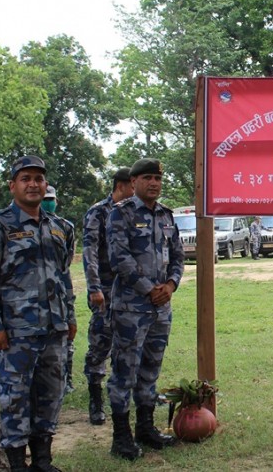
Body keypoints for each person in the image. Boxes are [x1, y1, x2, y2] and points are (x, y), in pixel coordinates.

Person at [0, 155, 76, 472]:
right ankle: (17, 464)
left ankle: (42, 461)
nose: (33, 184)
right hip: (16, 333)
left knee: (50, 397)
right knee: (14, 400)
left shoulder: (61, 228)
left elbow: (64, 276)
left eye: (38, 179)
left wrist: (69, 317)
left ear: (46, 186)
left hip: (54, 330)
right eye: (26, 178)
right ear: (12, 185)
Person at [106, 158, 184, 460]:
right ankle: (121, 437)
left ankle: (146, 428)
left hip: (160, 310)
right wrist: (148, 289)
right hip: (131, 309)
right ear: (134, 182)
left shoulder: (166, 215)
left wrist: (171, 285)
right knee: (124, 372)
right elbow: (119, 259)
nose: (154, 183)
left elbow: (178, 256)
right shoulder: (120, 214)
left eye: (158, 179)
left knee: (150, 370)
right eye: (148, 178)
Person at [82, 167, 134, 426]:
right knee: (100, 343)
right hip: (105, 289)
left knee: (129, 345)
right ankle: (95, 399)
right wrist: (94, 287)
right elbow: (90, 251)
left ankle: (126, 396)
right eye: (132, 186)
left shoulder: (135, 212)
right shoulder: (98, 212)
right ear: (121, 186)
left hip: (130, 291)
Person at [43, 185, 77, 396]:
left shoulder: (65, 226)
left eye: (51, 199)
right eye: (45, 199)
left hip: (60, 295)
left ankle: (67, 379)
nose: (48, 202)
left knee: (66, 339)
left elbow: (67, 261)